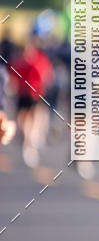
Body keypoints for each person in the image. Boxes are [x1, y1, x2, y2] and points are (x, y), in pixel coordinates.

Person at [9, 37, 54, 167]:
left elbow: (46, 75)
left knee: (34, 117)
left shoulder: (39, 60)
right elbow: (12, 76)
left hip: (35, 94)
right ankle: (27, 139)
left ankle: (31, 141)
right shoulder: (19, 62)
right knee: (22, 118)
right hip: (23, 94)